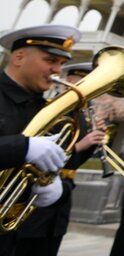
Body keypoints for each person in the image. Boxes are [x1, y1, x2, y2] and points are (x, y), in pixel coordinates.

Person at [0, 25, 81, 255]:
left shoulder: (50, 112)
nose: (57, 70)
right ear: (19, 57)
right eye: (50, 60)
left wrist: (58, 191)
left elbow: (65, 168)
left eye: (61, 64)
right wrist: (22, 147)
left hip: (14, 236)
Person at [14, 62, 106, 256]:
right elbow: (39, 154)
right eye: (83, 81)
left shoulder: (81, 117)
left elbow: (74, 161)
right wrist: (83, 143)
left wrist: (93, 143)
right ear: (69, 81)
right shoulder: (52, 110)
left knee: (50, 245)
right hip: (36, 195)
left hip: (61, 197)